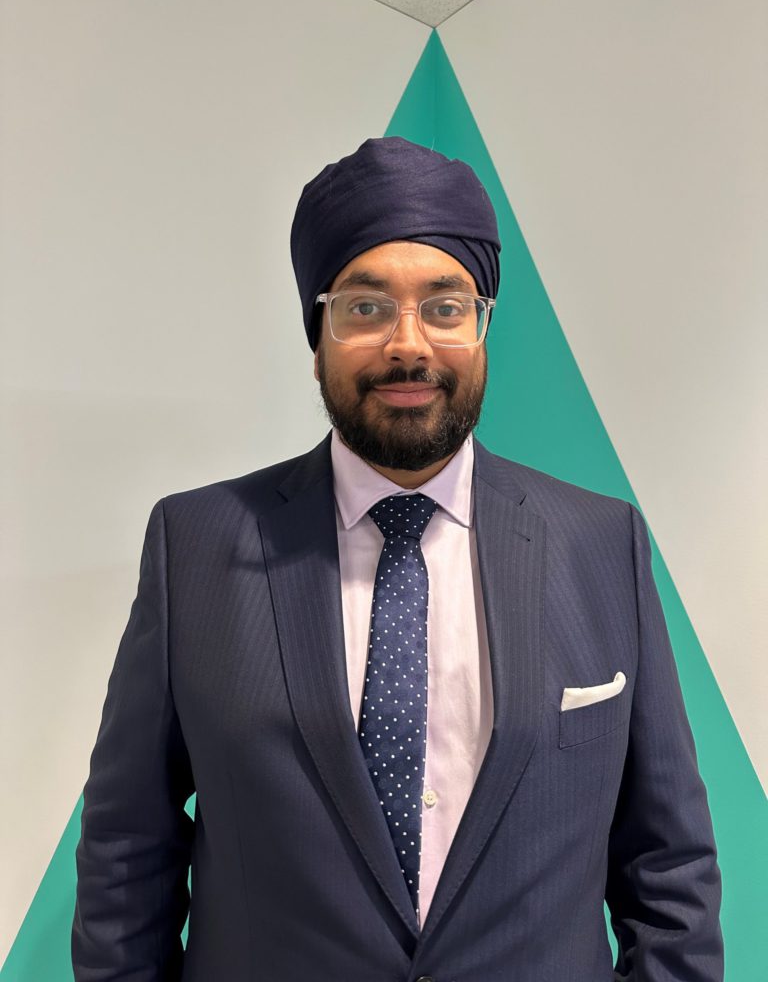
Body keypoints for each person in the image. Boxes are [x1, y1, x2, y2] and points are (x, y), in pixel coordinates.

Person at [72, 137, 723, 981]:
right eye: (366, 307)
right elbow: (128, 853)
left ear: (483, 329)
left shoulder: (601, 542)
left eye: (446, 307)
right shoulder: (194, 545)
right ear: (317, 337)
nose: (408, 345)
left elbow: (667, 866)